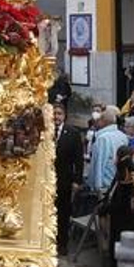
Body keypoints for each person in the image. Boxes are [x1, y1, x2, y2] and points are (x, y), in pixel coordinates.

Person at [50, 104, 83, 256]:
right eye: (54, 114)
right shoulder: (44, 131)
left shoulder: (73, 133)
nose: (56, 117)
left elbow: (79, 159)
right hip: (47, 180)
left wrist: (77, 180)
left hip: (64, 180)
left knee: (63, 212)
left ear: (64, 116)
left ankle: (62, 243)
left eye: (59, 114)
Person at [84, 109, 127, 198]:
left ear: (103, 121)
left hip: (105, 186)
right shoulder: (123, 136)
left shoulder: (103, 138)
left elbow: (99, 164)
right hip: (118, 183)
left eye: (99, 119)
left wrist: (97, 187)